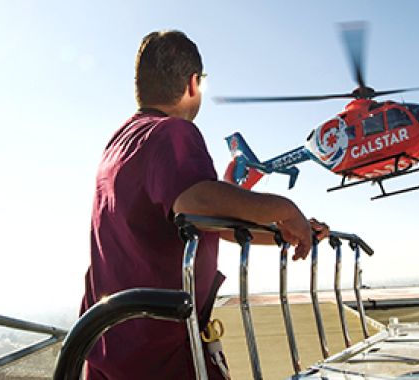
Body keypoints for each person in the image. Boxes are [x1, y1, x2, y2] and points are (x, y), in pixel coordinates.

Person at [81, 30, 328, 380]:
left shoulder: (118, 145)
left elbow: (201, 220)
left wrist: (283, 234)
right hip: (161, 356)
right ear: (194, 84)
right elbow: (196, 201)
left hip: (108, 349)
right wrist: (285, 209)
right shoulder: (171, 132)